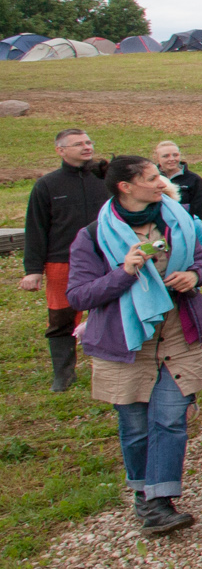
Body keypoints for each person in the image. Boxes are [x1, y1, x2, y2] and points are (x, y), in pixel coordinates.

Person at [66, 154, 202, 535]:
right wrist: (125, 272)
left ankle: (159, 501)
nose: (161, 181)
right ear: (126, 187)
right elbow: (80, 296)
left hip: (177, 334)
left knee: (169, 419)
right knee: (135, 426)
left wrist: (192, 276)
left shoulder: (177, 221)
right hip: (127, 342)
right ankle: (143, 492)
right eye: (152, 177)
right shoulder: (93, 237)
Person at [20, 127, 110, 393]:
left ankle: (106, 368)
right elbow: (35, 228)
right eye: (78, 144)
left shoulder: (105, 180)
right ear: (61, 150)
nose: (87, 147)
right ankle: (63, 375)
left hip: (104, 257)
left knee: (107, 312)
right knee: (61, 318)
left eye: (89, 142)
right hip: (62, 261)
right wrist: (33, 269)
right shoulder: (47, 185)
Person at [153, 139, 202, 222]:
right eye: (165, 156)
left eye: (175, 155)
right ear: (157, 158)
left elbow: (198, 210)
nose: (171, 159)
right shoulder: (151, 179)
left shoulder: (194, 179)